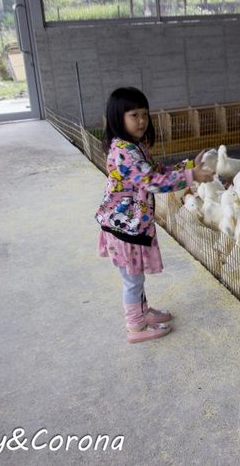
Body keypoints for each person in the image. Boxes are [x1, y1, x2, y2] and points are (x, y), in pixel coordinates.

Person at [96, 87, 213, 343]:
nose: (141, 121)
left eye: (145, 115)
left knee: (135, 277)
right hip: (123, 226)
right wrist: (191, 177)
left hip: (130, 224)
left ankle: (141, 312)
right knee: (132, 280)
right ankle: (135, 327)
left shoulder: (134, 147)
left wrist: (189, 165)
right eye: (134, 115)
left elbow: (157, 169)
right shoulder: (124, 151)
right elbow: (152, 181)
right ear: (118, 118)